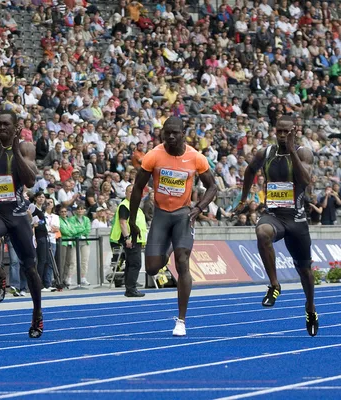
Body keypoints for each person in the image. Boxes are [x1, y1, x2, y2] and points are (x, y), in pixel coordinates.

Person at [129, 117, 217, 337]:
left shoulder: (196, 157)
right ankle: (167, 247)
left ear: (183, 133)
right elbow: (138, 188)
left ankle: (181, 320)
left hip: (183, 216)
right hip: (160, 215)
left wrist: (199, 208)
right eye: (166, 133)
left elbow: (213, 187)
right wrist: (132, 220)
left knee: (182, 261)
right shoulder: (153, 156)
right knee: (151, 269)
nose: (170, 137)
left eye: (175, 133)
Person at [235, 115, 318, 336]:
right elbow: (249, 171)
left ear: (295, 131)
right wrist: (244, 199)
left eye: (286, 132)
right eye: (279, 131)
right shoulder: (267, 153)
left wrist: (291, 150)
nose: (282, 135)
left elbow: (306, 180)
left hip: (297, 219)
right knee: (261, 231)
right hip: (274, 216)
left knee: (305, 271)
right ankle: (274, 285)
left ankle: (310, 306)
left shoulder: (303, 152)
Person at [0, 110, 44, 338]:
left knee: (30, 268)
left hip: (17, 213)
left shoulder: (25, 148)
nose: (1, 128)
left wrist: (15, 150)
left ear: (16, 127)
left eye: (6, 125)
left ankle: (37, 313)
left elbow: (30, 181)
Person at [110, 184, 148, 297]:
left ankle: (129, 288)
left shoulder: (136, 207)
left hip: (136, 239)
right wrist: (127, 238)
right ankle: (131, 288)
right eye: (130, 191)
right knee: (135, 263)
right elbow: (123, 222)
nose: (132, 194)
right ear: (126, 193)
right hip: (131, 239)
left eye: (134, 191)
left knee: (131, 264)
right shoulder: (125, 206)